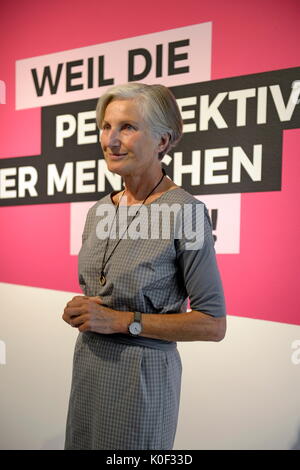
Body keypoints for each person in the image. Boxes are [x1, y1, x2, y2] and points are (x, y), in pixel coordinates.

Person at [62, 82, 226, 450]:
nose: (111, 140)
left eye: (128, 127)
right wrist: (84, 309)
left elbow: (213, 325)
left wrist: (120, 321)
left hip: (142, 382)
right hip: (89, 370)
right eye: (106, 126)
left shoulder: (187, 212)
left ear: (163, 142)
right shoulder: (99, 210)